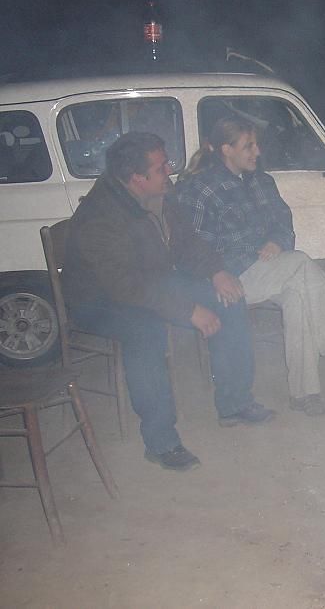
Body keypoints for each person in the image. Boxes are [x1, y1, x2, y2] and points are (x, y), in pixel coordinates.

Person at [65, 132, 273, 471]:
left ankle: (234, 402)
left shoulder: (159, 195)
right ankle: (161, 442)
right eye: (162, 168)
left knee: (228, 296)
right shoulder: (100, 217)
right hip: (100, 299)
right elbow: (126, 286)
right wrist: (187, 309)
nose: (170, 172)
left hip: (150, 279)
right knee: (145, 332)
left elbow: (187, 242)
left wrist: (216, 272)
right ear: (137, 178)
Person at [170, 116, 325, 416]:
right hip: (227, 276)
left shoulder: (262, 180)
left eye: (256, 145)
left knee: (299, 293)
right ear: (226, 149)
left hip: (267, 267)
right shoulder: (201, 188)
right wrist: (215, 274)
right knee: (300, 264)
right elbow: (191, 245)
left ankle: (305, 393)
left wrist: (277, 240)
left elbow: (283, 221)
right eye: (248, 146)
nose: (257, 152)